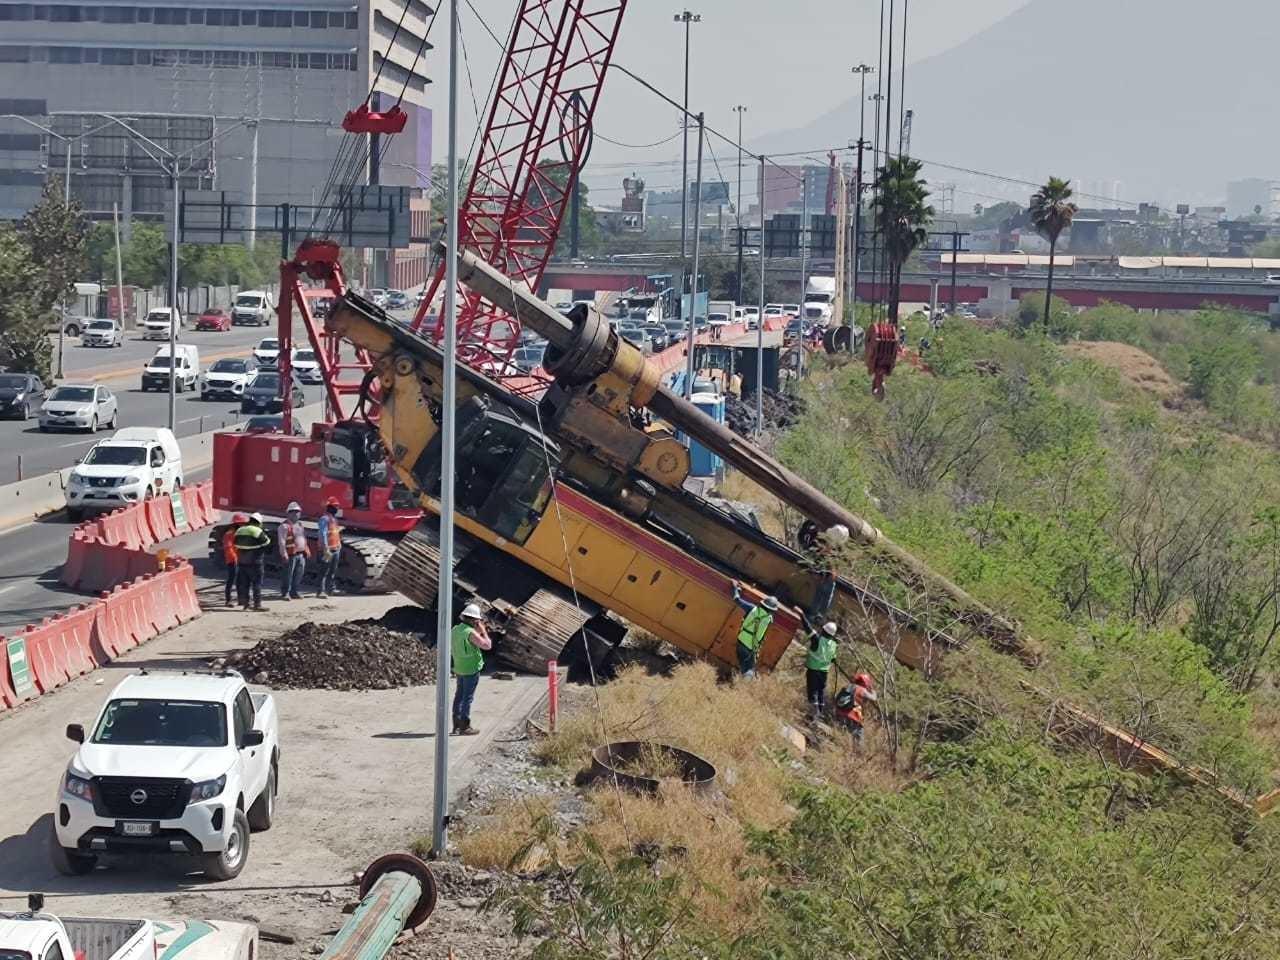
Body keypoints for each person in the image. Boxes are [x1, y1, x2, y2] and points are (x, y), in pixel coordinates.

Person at [451, 603, 492, 736]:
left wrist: (477, 631)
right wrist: (484, 631)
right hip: (471, 669)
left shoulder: (456, 629)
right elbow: (487, 645)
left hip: (459, 667)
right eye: (478, 620)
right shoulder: (471, 633)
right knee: (467, 698)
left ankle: (456, 725)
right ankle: (465, 726)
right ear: (475, 621)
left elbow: (467, 640)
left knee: (459, 696)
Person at [731, 580, 779, 679]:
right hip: (751, 648)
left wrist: (736, 588)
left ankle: (740, 684)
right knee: (749, 670)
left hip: (741, 642)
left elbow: (736, 599)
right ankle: (742, 688)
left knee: (746, 669)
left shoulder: (752, 608)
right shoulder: (769, 620)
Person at [233, 512, 272, 610]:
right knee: (257, 584)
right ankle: (257, 605)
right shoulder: (257, 531)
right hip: (255, 562)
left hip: (242, 562)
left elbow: (235, 544)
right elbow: (267, 543)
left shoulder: (239, 530)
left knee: (245, 584)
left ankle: (246, 604)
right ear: (259, 522)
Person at [804, 621, 840, 718]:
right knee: (820, 693)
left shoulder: (818, 640)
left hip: (813, 671)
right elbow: (833, 658)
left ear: (823, 630)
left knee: (813, 692)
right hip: (824, 673)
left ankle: (813, 715)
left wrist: (802, 615)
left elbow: (808, 628)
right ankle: (819, 713)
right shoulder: (834, 644)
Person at [277, 501, 310, 600]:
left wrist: (306, 549)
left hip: (301, 554)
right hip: (291, 554)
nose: (296, 514)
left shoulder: (300, 525)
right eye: (293, 511)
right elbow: (282, 542)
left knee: (298, 574)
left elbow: (303, 538)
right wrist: (284, 554)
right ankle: (285, 593)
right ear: (288, 513)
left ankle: (294, 592)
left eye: (297, 511)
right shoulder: (284, 526)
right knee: (288, 575)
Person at [834, 671, 877, 742]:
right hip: (853, 716)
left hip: (839, 712)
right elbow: (874, 698)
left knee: (842, 734)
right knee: (859, 734)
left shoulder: (847, 686)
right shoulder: (862, 690)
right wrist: (873, 690)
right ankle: (858, 752)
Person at [315, 497, 342, 598]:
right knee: (323, 571)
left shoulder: (334, 519)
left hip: (335, 549)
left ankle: (331, 589)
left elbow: (335, 533)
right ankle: (320, 591)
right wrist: (325, 548)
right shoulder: (324, 519)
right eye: (335, 506)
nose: (337, 509)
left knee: (332, 571)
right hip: (327, 550)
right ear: (329, 507)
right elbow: (323, 533)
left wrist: (339, 544)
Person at [222, 513, 247, 607]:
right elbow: (228, 548)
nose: (243, 525)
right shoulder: (229, 534)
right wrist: (235, 558)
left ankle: (241, 599)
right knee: (231, 580)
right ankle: (228, 600)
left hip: (240, 560)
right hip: (232, 561)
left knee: (240, 580)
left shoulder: (241, 533)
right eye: (241, 524)